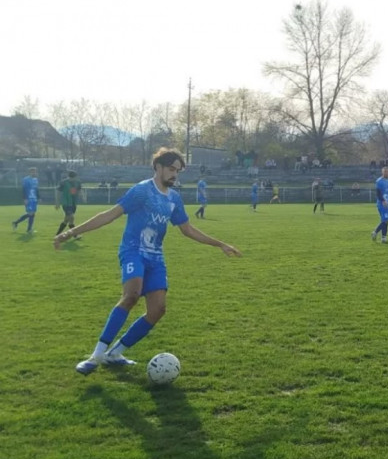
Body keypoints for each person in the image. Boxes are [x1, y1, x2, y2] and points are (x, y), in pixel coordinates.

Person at [53, 148, 241, 375]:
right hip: (133, 251)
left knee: (158, 310)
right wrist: (69, 233)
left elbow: (187, 229)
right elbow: (109, 215)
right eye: (171, 169)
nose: (175, 175)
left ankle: (115, 353)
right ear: (158, 167)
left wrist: (219, 244)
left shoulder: (174, 199)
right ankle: (96, 356)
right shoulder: (141, 191)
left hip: (156, 257)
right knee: (131, 295)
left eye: (178, 171)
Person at [55, 170, 83, 237]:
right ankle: (75, 235)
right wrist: (57, 202)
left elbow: (79, 189)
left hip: (73, 203)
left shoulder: (78, 182)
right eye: (73, 178)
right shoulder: (63, 183)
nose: (75, 179)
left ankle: (58, 235)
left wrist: (82, 196)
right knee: (71, 217)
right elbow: (58, 192)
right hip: (66, 203)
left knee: (68, 220)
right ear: (70, 177)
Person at [12, 167, 40, 234]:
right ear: (30, 172)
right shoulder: (26, 179)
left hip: (34, 199)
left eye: (35, 172)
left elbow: (37, 189)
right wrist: (25, 198)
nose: (34, 173)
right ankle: (20, 225)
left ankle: (26, 227)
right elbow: (24, 189)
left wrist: (39, 197)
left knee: (32, 214)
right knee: (30, 213)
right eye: (33, 172)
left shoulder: (35, 179)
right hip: (29, 198)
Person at [371, 166, 388, 243]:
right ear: (382, 172)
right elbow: (378, 193)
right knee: (385, 220)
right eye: (385, 171)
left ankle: (383, 238)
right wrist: (383, 201)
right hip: (382, 204)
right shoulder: (379, 181)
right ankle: (375, 232)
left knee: (386, 221)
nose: (387, 173)